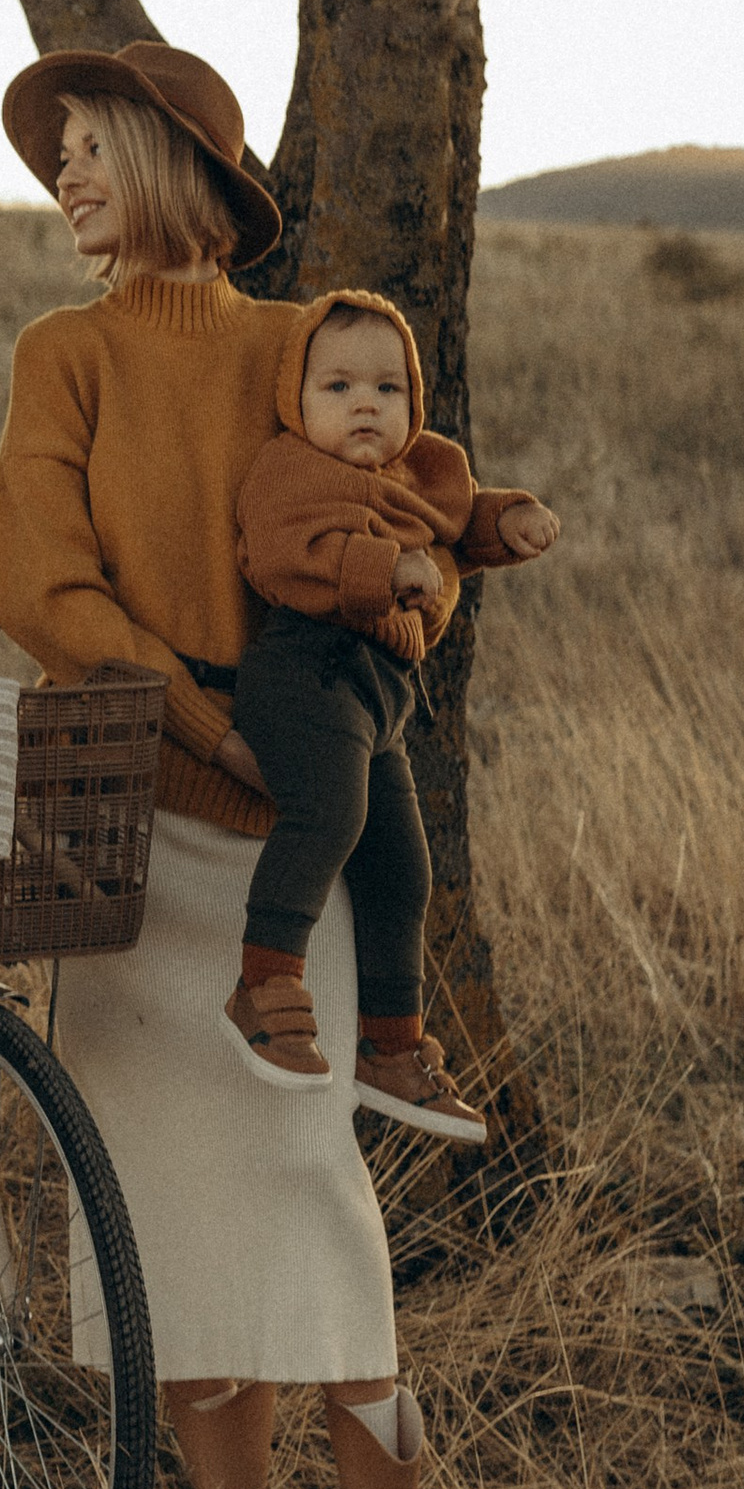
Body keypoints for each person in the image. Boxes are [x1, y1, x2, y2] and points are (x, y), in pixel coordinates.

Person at [0, 37, 481, 1489]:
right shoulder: (67, 354)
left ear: (174, 162)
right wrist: (206, 717)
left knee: (307, 1192)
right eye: (55, 159)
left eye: (89, 149)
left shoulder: (300, 345)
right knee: (166, 1211)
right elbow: (45, 582)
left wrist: (409, 618)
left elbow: (417, 526)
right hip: (131, 821)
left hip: (299, 845)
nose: (65, 178)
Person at [227, 291, 561, 1131]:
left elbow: (454, 522)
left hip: (378, 696)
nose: (365, 404)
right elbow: (281, 554)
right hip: (302, 670)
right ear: (297, 403)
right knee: (328, 814)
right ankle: (264, 985)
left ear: (414, 401)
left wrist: (506, 522)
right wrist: (380, 572)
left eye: (387, 388)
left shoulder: (422, 472)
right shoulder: (289, 472)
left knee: (403, 867)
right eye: (337, 388)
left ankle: (392, 1047)